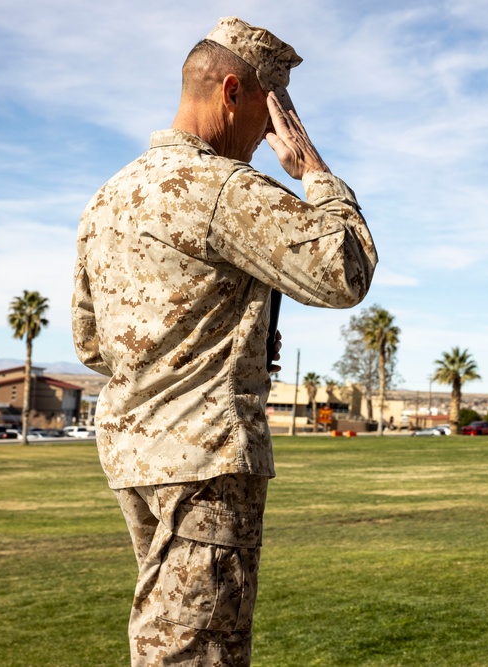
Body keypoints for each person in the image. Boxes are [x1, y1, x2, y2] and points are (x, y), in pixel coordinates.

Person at [72, 16, 377, 666]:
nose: (271, 138)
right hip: (206, 463)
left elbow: (91, 343)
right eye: (272, 117)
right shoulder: (223, 190)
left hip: (134, 456)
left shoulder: (108, 198)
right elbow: (346, 267)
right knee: (196, 652)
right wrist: (312, 167)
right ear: (232, 91)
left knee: (173, 639)